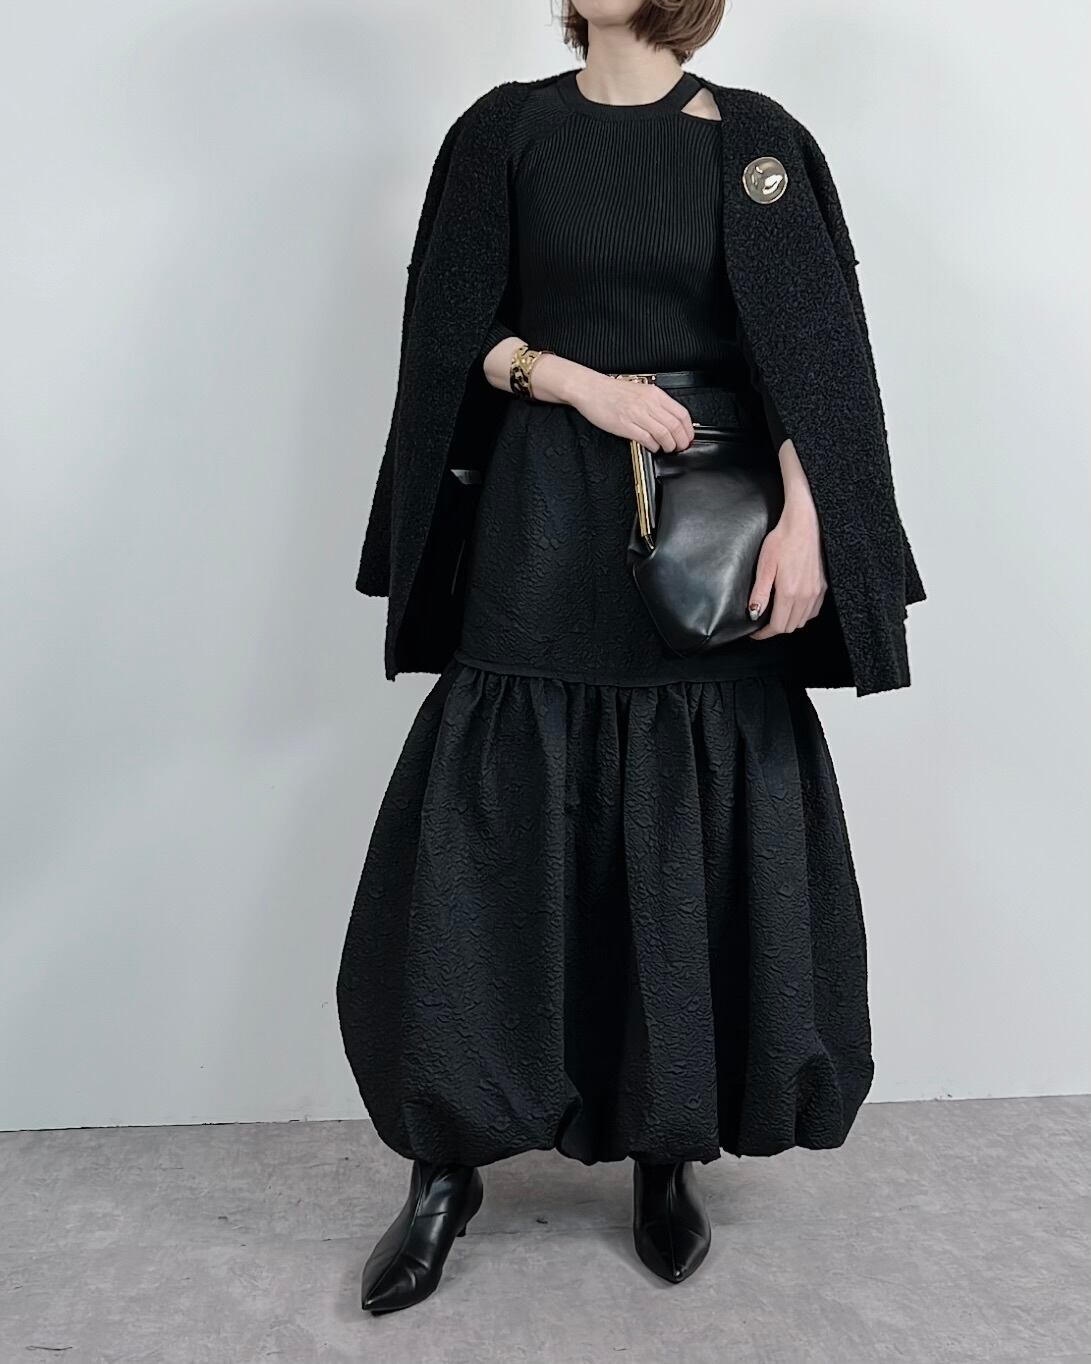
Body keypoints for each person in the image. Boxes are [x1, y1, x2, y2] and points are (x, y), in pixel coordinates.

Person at [337, 0, 925, 1314]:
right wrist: (568, 379)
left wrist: (814, 526)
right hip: (542, 523)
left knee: (690, 833)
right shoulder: (504, 133)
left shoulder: (755, 142)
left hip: (711, 540)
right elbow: (449, 325)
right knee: (488, 832)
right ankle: (444, 1171)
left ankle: (670, 1149)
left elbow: (817, 362)